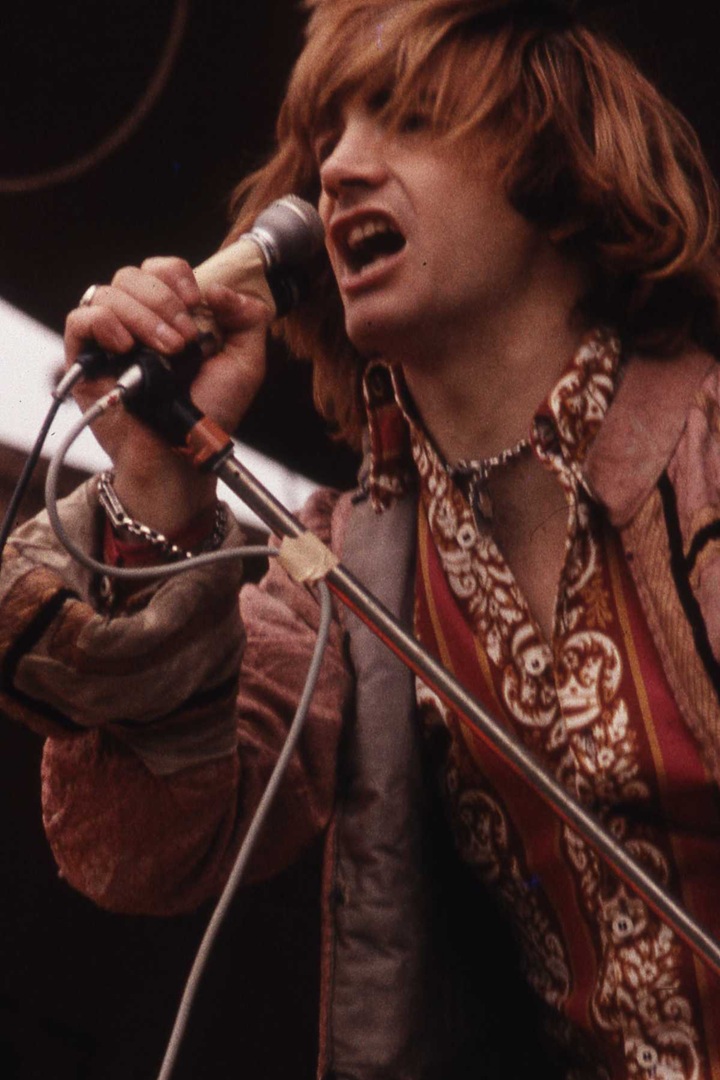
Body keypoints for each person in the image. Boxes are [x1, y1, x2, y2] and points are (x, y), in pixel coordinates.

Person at [2, 0, 720, 1075]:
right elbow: (144, 849)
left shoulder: (706, 446)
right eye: (328, 136)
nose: (337, 169)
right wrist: (152, 478)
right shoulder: (347, 564)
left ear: (562, 177)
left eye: (410, 117)